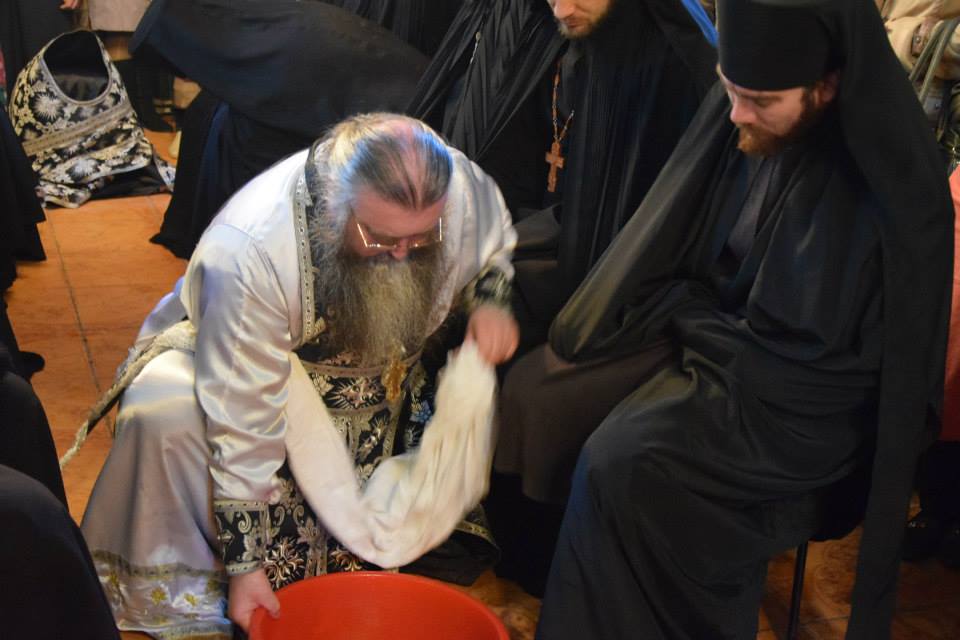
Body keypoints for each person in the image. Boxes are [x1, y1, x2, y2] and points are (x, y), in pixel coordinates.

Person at [507, 0, 952, 638]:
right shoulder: (749, 111)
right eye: (730, 90)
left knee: (625, 463)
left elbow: (817, 361)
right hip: (721, 339)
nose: (736, 115)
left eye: (759, 102)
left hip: (803, 408)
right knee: (545, 390)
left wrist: (692, 322)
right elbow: (693, 249)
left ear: (827, 86)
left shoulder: (879, 180)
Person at [79, 113, 517, 638]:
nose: (402, 255)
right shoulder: (251, 250)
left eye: (423, 237)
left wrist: (490, 303)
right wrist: (245, 569)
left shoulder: (456, 185)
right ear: (333, 209)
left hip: (381, 384)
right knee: (168, 408)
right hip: (252, 367)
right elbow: (242, 418)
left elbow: (490, 239)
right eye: (380, 238)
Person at [407, 0, 718, 352]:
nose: (562, 10)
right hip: (527, 235)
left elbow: (632, 236)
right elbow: (503, 163)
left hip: (602, 274)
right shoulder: (541, 28)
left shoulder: (671, 66)